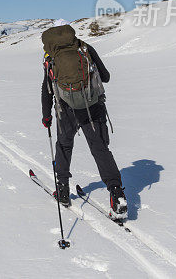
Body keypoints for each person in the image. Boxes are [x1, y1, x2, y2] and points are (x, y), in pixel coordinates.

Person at [40, 24, 127, 218]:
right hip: (93, 107)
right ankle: (117, 193)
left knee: (64, 145)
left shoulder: (51, 58)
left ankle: (62, 190)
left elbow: (46, 89)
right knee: (100, 149)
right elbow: (106, 77)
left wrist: (46, 116)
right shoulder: (85, 48)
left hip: (65, 110)